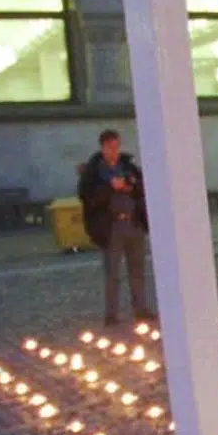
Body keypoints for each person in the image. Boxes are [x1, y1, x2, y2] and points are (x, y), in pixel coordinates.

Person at [78, 128, 152, 325]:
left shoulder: (128, 167)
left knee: (137, 269)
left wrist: (132, 186)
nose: (115, 151)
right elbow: (89, 200)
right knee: (112, 273)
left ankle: (141, 308)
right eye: (110, 147)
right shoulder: (94, 172)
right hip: (111, 228)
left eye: (117, 146)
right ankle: (111, 314)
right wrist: (110, 187)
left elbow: (144, 188)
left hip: (134, 224)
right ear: (102, 147)